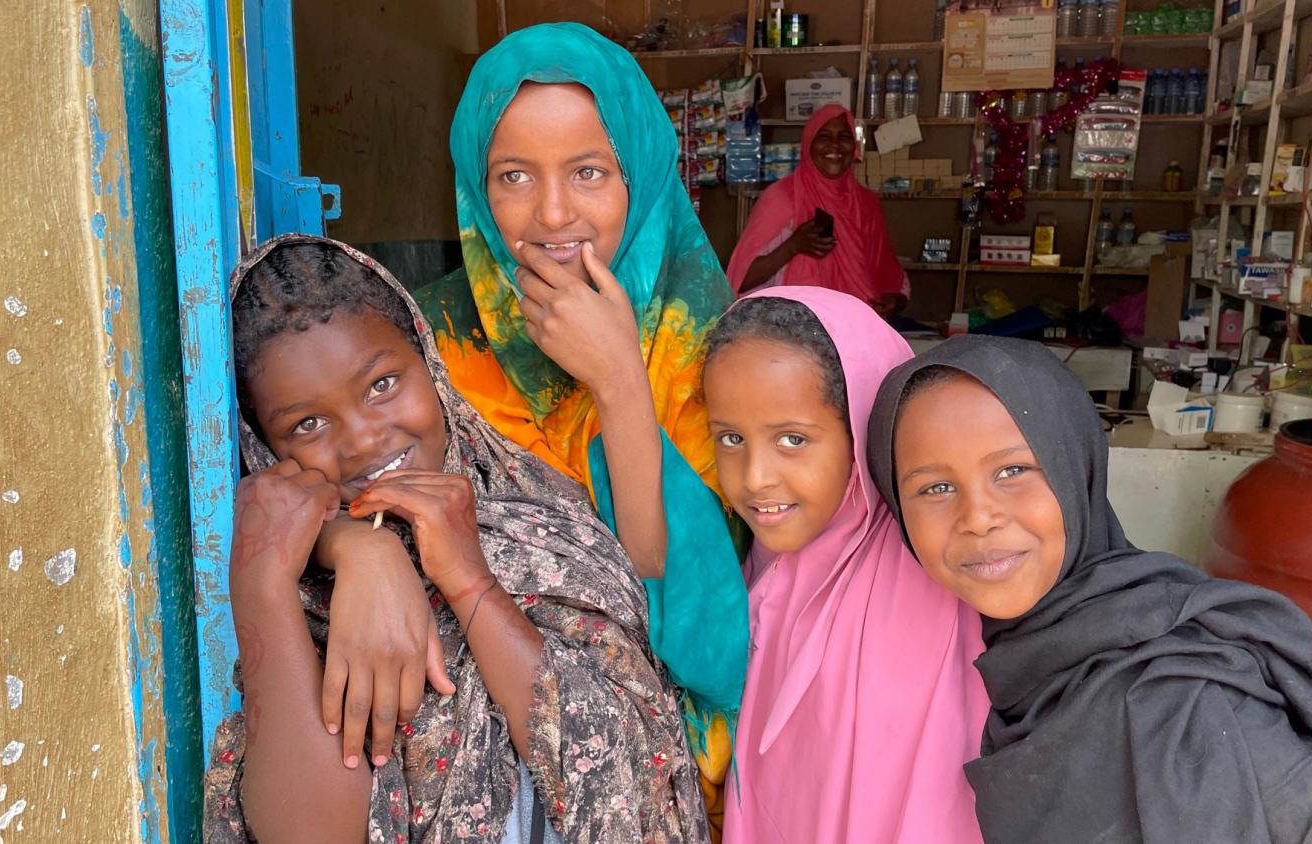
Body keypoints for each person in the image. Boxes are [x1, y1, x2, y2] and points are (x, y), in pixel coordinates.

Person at [204, 234, 709, 844]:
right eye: (308, 424)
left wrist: (468, 579)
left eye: (382, 385)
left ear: (430, 363)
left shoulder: (542, 517)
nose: (363, 440)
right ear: (266, 447)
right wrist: (288, 573)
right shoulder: (305, 598)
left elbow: (624, 787)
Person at [866, 334, 1312, 844]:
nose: (979, 516)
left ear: (1077, 471)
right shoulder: (1006, 653)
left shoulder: (1172, 691)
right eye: (936, 486)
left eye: (1014, 471)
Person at [408, 23, 749, 832]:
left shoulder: (706, 344)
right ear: (474, 186)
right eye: (513, 175)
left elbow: (674, 592)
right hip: (478, 750)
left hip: (649, 758)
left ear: (641, 172)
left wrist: (621, 380)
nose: (553, 213)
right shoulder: (430, 341)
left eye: (589, 172)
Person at [702, 287, 987, 843]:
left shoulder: (933, 592)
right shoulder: (752, 567)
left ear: (863, 432)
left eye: (792, 439)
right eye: (731, 438)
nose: (755, 475)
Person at [725, 105, 909, 319]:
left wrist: (895, 300)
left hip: (853, 331)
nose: (835, 145)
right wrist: (793, 246)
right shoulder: (781, 199)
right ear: (808, 144)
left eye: (844, 137)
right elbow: (741, 278)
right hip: (791, 332)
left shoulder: (866, 203)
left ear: (855, 146)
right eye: (824, 136)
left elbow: (891, 278)